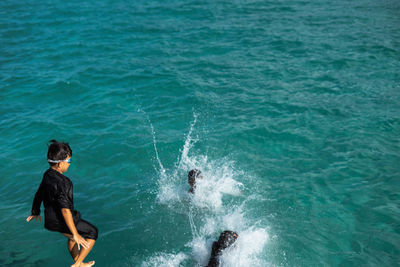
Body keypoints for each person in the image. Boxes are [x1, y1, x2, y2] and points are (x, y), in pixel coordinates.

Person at [26, 140, 98, 267]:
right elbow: (65, 210)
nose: (69, 164)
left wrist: (35, 211)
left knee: (71, 238)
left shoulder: (47, 174)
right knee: (92, 232)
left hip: (51, 221)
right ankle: (78, 264)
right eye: (68, 161)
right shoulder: (65, 182)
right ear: (59, 164)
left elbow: (39, 193)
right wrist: (75, 234)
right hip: (63, 219)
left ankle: (78, 263)